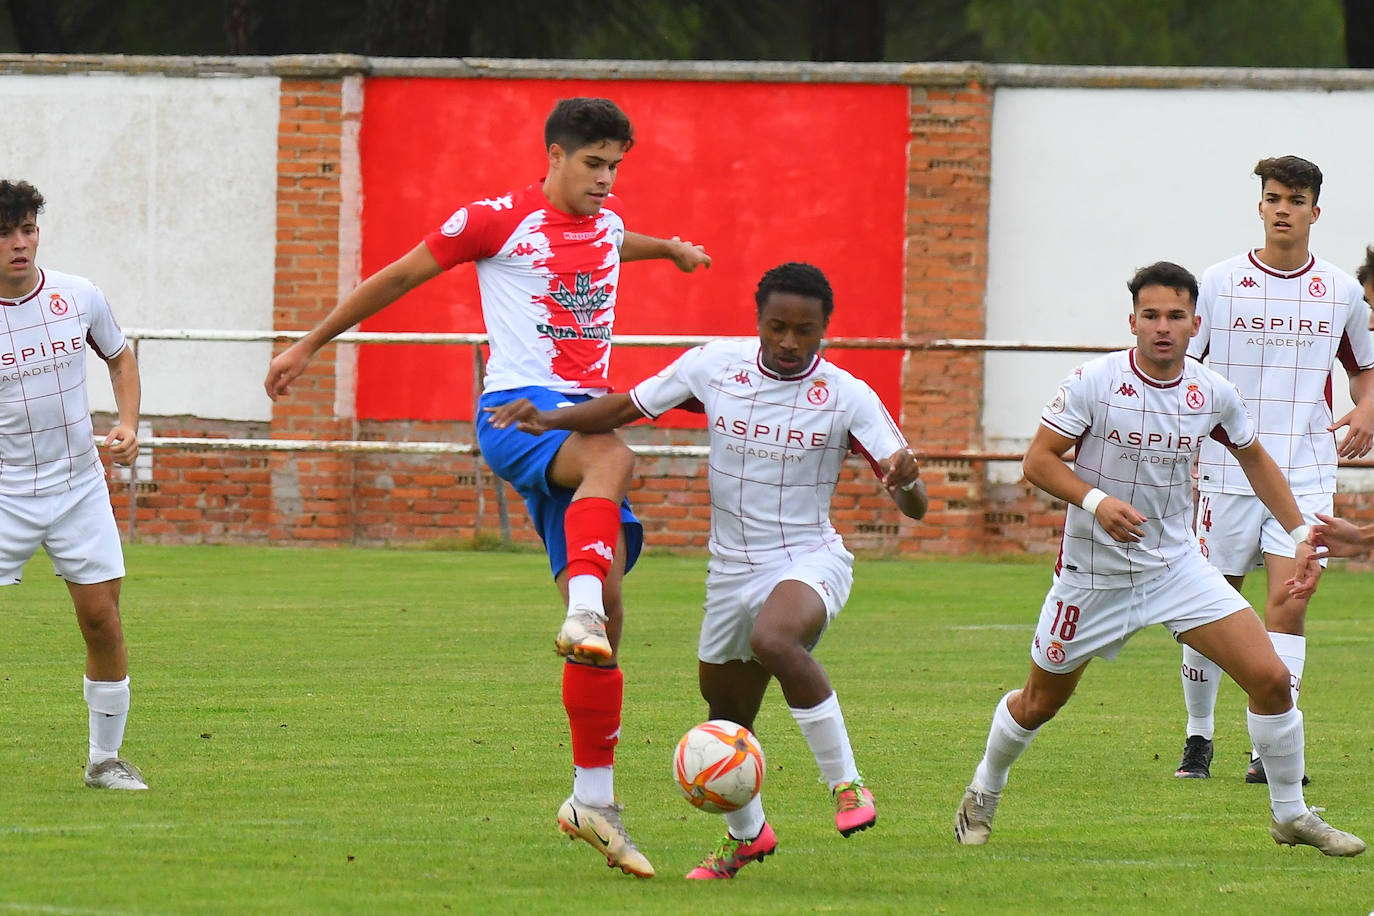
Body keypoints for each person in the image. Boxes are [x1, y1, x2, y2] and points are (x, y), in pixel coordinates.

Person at [264, 98, 710, 879]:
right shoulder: (495, 220)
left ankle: (592, 800)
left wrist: (669, 249)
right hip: (518, 416)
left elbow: (616, 242)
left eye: (616, 166)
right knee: (615, 460)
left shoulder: (607, 224)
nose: (606, 180)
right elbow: (399, 275)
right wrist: (309, 343)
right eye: (593, 164)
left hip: (567, 420)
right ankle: (577, 618)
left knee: (608, 614)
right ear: (554, 156)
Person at [487, 262, 929, 880]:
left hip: (808, 556)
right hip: (729, 573)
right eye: (777, 326)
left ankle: (848, 786)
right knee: (726, 722)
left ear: (825, 328)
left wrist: (905, 485)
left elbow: (914, 501)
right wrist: (552, 419)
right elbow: (626, 407)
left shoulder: (849, 396)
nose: (788, 342)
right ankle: (748, 837)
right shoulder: (715, 365)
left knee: (774, 638)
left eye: (805, 330)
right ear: (759, 320)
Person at [953, 261, 1364, 857]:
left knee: (1272, 679)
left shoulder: (1210, 391)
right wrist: (1097, 502)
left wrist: (1300, 529)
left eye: (1176, 316)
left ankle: (1290, 814)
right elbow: (1038, 460)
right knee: (1039, 702)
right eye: (1151, 315)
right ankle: (984, 790)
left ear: (1195, 323)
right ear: (1133, 321)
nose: (1163, 327)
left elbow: (1254, 458)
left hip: (1175, 567)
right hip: (1092, 575)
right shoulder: (1094, 381)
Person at [1174, 157, 1374, 783]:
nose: (1282, 208)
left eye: (1295, 199)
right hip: (1227, 472)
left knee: (1289, 603)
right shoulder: (1218, 282)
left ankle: (1267, 747)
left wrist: (1367, 408)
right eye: (1272, 198)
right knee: (1213, 605)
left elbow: (1363, 369)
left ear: (1316, 210)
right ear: (1259, 207)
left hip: (1307, 470)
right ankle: (1198, 737)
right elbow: (1185, 365)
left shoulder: (1342, 291)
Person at [0, 180, 146, 790]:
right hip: (5, 490)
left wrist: (129, 424)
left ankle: (105, 761)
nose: (19, 245)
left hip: (78, 485)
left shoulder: (78, 295)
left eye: (27, 230)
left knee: (101, 620)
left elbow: (119, 356)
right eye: (5, 234)